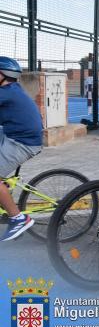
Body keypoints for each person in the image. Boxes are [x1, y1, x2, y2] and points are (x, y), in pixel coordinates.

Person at [0, 57, 43, 242]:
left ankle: (18, 219)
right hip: (13, 136)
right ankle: (5, 185)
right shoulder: (10, 91)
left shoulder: (6, 93)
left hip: (23, 143)